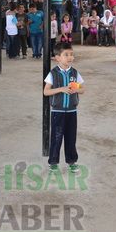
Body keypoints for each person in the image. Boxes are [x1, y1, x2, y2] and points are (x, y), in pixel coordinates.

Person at [43, 43, 84, 173]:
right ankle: (53, 163)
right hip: (57, 112)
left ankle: (72, 161)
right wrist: (61, 89)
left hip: (72, 112)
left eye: (71, 54)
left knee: (71, 138)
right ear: (57, 58)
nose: (70, 57)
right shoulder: (53, 74)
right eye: (66, 55)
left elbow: (83, 89)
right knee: (56, 137)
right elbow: (46, 92)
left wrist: (76, 88)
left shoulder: (75, 72)